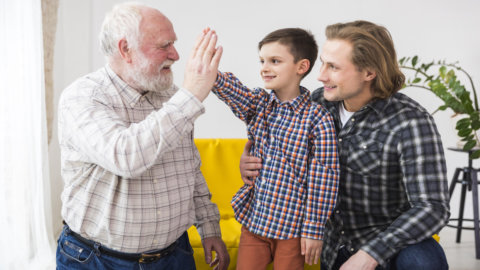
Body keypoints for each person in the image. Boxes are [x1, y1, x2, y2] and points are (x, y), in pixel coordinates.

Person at [239, 20, 450, 270]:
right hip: (334, 246)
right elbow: (276, 143)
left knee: (424, 261)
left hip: (389, 244)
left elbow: (432, 207)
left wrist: (369, 255)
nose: (320, 76)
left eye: (334, 67)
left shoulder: (410, 121)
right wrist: (250, 158)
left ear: (369, 73)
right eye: (322, 64)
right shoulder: (315, 105)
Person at [56, 2, 228, 270]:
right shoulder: (82, 97)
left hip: (175, 255)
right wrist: (191, 94)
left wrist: (209, 226)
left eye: (174, 43)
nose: (176, 54)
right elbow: (126, 156)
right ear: (126, 49)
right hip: (97, 260)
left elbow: (189, 167)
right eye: (164, 45)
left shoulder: (173, 99)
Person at [210, 28, 339, 269]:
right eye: (262, 61)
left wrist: (313, 229)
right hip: (256, 222)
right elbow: (234, 92)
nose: (265, 68)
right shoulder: (259, 104)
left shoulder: (317, 118)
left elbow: (324, 177)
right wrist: (211, 74)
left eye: (275, 61)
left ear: (301, 67)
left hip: (293, 228)